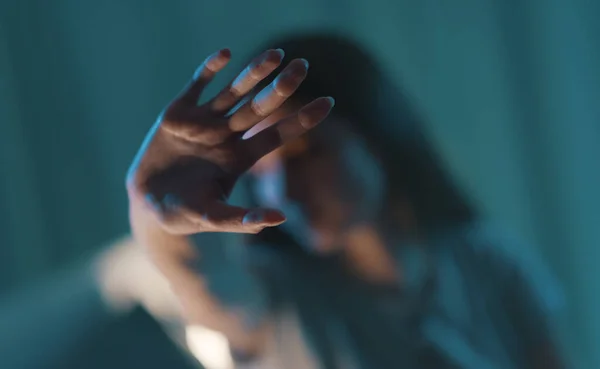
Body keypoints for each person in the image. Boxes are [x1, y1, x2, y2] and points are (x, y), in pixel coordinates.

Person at [126, 31, 567, 368]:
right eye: (261, 172)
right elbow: (197, 275)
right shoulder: (272, 298)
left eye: (306, 155)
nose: (283, 191)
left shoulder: (486, 261)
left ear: (377, 138)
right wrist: (155, 207)